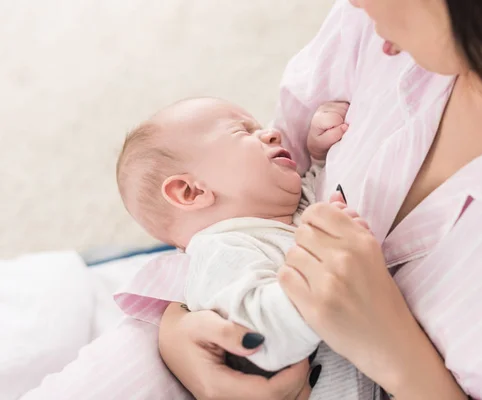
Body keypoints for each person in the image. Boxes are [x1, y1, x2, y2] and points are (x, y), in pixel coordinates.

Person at [23, 0, 482, 399]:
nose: (350, 8)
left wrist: (396, 351)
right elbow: (249, 212)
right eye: (244, 131)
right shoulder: (376, 29)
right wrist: (179, 329)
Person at [115, 96, 376, 399]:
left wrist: (320, 153)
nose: (272, 133)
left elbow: (324, 184)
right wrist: (325, 265)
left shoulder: (287, 208)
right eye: (243, 132)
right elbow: (264, 339)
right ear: (191, 191)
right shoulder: (221, 254)